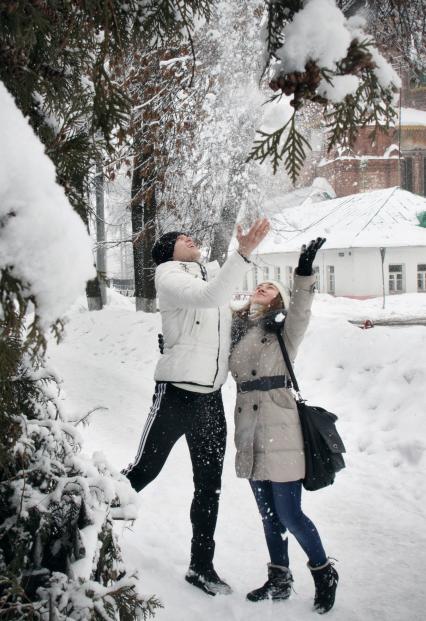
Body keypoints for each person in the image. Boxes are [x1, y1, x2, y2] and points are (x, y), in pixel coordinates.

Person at [122, 219, 270, 596]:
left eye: (190, 236)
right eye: (180, 239)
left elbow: (222, 319)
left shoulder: (209, 276)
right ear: (168, 252)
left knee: (209, 488)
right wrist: (243, 253)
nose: (190, 238)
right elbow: (209, 298)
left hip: (210, 399)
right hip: (176, 394)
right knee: (143, 471)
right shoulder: (169, 275)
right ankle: (87, 518)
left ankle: (201, 567)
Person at [229, 238, 339, 614]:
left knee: (290, 513)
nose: (263, 287)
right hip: (248, 426)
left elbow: (303, 310)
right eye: (261, 284)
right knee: (268, 514)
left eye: (271, 288)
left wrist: (303, 273)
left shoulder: (284, 330)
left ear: (278, 300)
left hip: (280, 425)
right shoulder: (237, 329)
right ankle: (279, 576)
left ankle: (324, 572)